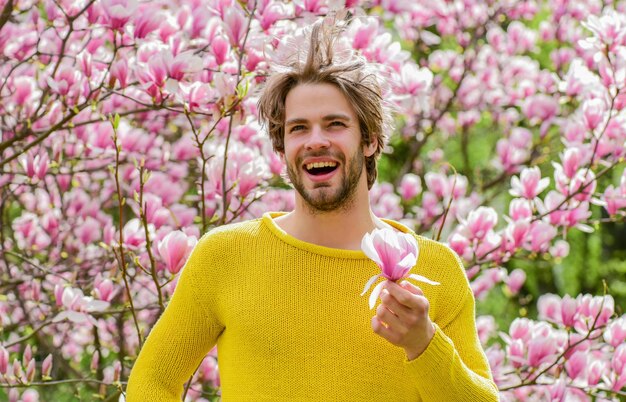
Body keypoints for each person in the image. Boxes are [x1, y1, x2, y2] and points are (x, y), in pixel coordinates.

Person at [126, 17, 499, 401]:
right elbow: (151, 382)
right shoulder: (223, 256)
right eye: (298, 128)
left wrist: (424, 345)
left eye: (334, 124)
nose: (315, 141)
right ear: (282, 146)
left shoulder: (436, 270)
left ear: (369, 141)